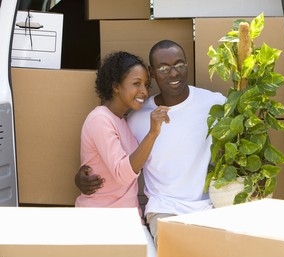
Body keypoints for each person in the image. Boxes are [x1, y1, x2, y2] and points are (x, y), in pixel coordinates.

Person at [75, 40, 226, 246]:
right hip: (147, 212)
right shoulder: (133, 118)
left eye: (179, 65)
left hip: (200, 208)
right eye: (163, 68)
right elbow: (120, 167)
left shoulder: (215, 104)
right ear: (153, 72)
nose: (173, 73)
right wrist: (80, 177)